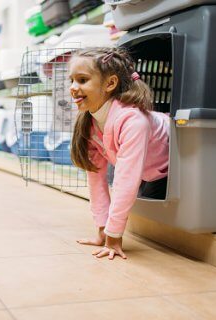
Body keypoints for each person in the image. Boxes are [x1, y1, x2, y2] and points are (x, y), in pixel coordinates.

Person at [68, 47, 169, 260]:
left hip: (174, 166)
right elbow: (96, 179)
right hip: (150, 171)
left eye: (82, 80)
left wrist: (114, 237)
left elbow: (125, 181)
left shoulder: (133, 121)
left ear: (110, 84)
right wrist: (102, 230)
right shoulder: (90, 123)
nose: (73, 88)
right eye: (71, 80)